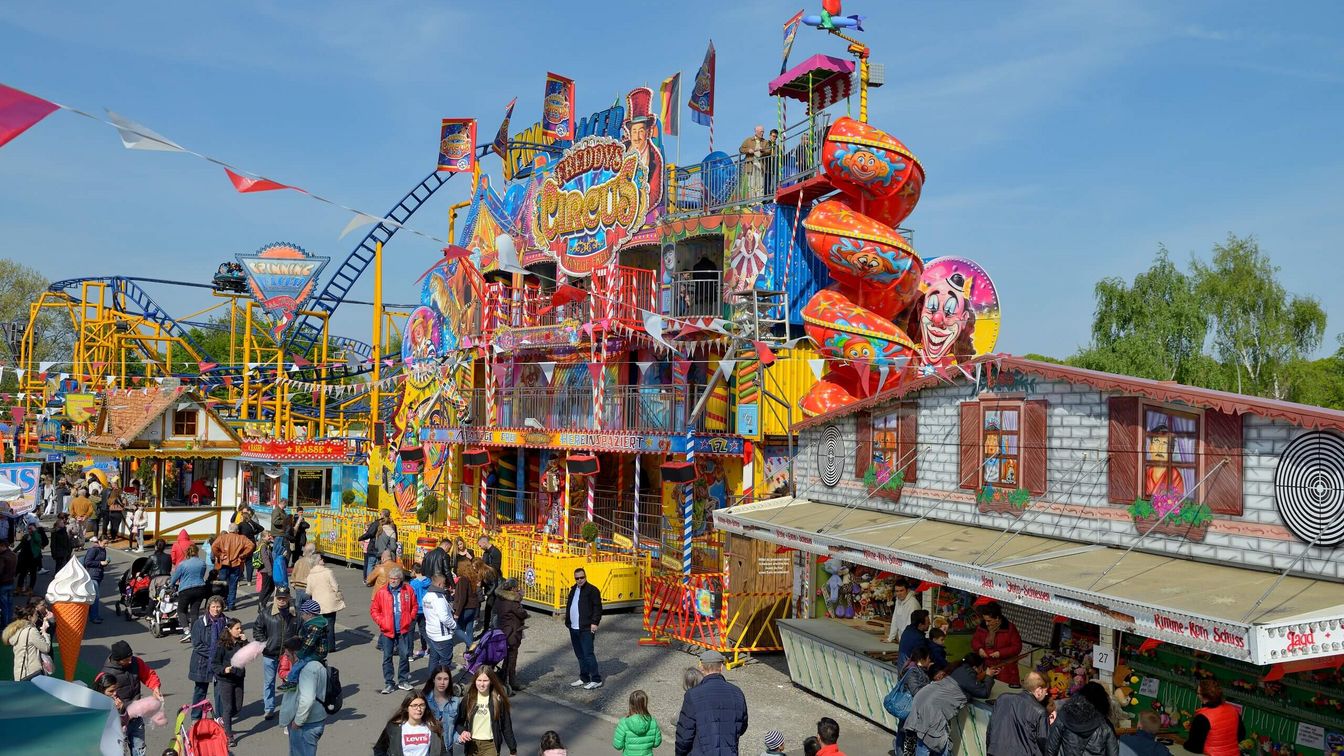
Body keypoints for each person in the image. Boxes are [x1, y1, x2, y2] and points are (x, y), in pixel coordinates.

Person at [674, 649, 749, 756]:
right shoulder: (737, 693)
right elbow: (742, 726)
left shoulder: (693, 694)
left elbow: (685, 734)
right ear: (721, 667)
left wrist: (679, 753)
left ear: (701, 667)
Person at [100, 640, 164, 756]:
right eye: (126, 660)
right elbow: (101, 693)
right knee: (120, 752)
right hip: (119, 721)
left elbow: (148, 674)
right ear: (117, 660)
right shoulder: (107, 674)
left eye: (130, 657)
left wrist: (155, 687)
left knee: (139, 749)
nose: (130, 661)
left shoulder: (136, 662)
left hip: (137, 717)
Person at [278, 635, 329, 756]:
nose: (287, 658)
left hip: (306, 725)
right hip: (316, 719)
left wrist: (298, 722)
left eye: (288, 655)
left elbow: (307, 699)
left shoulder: (306, 670)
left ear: (296, 653)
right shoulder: (317, 664)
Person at [255, 585, 301, 720]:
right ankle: (269, 708)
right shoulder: (266, 613)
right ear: (275, 598)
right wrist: (265, 644)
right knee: (269, 682)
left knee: (289, 683)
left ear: (288, 598)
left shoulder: (295, 614)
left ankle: (289, 708)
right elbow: (257, 629)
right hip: (270, 654)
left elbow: (300, 632)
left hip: (288, 655)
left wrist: (295, 646)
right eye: (279, 598)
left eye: (284, 598)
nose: (281, 600)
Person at [372, 566, 419, 694]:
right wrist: (381, 621)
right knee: (387, 657)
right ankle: (389, 683)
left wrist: (410, 618)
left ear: (400, 579)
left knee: (404, 655)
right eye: (390, 578)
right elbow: (374, 610)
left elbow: (415, 605)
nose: (392, 581)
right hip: (387, 630)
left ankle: (403, 680)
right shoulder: (382, 592)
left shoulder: (408, 590)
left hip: (403, 629)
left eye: (395, 579)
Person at [453, 668, 517, 756]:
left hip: (490, 746)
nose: (482, 684)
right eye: (479, 680)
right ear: (475, 681)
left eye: (485, 680)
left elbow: (506, 726)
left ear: (491, 681)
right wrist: (463, 731)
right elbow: (458, 722)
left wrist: (513, 750)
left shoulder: (498, 700)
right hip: (472, 745)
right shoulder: (468, 699)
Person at [1046, 681, 1119, 756]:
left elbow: (1050, 750)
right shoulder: (1105, 726)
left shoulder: (1064, 717)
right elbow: (1113, 753)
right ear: (1103, 702)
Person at [987, 671, 1050, 756]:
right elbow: (1044, 745)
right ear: (1038, 690)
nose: (1046, 694)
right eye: (1046, 691)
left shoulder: (1002, 698)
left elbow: (990, 731)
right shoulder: (1040, 712)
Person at [905, 674, 968, 756]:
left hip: (925, 718)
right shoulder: (944, 689)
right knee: (925, 745)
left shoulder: (939, 687)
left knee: (928, 744)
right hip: (928, 719)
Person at [564, 567, 603, 689]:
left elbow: (598, 607)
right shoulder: (573, 589)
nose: (580, 580)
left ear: (585, 577)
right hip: (574, 627)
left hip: (586, 627)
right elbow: (570, 605)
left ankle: (596, 679)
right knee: (580, 654)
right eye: (577, 578)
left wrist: (595, 623)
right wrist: (568, 622)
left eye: (582, 577)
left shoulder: (592, 590)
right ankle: (584, 677)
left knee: (588, 654)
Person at [375, 692, 449, 756]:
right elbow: (379, 749)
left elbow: (443, 751)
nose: (419, 709)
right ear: (407, 708)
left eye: (422, 705)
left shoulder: (433, 727)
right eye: (414, 705)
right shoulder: (394, 727)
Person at [892, 647, 936, 755]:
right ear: (922, 659)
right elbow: (916, 690)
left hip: (911, 709)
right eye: (928, 658)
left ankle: (901, 751)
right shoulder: (912, 671)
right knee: (907, 734)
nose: (930, 661)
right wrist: (930, 687)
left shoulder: (915, 668)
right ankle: (901, 752)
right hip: (909, 709)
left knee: (905, 733)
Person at [189, 595, 227, 718]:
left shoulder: (227, 622)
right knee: (200, 691)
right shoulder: (199, 623)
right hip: (202, 663)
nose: (216, 609)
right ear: (208, 608)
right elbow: (197, 645)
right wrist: (215, 654)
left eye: (219, 607)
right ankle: (196, 717)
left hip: (221, 664)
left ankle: (220, 718)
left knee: (220, 692)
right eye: (213, 606)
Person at [1183, 679, 1243, 755]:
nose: (1197, 696)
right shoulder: (1233, 710)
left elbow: (1195, 747)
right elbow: (1241, 735)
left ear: (1204, 696)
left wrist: (1186, 743)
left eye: (1198, 693)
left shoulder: (1202, 717)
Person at [212, 616, 247, 747]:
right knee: (228, 707)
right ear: (230, 630)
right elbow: (215, 664)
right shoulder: (221, 645)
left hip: (238, 678)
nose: (240, 630)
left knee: (237, 707)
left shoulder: (241, 642)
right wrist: (223, 669)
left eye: (240, 628)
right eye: (237, 628)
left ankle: (223, 721)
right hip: (225, 679)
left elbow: (250, 655)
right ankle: (229, 736)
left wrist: (246, 642)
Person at [972, 602, 1023, 687]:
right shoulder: (982, 627)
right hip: (986, 666)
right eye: (985, 620)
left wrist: (1000, 653)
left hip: (1005, 668)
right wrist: (979, 649)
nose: (987, 623)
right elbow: (975, 641)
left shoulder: (1010, 628)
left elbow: (1017, 647)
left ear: (997, 618)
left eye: (989, 621)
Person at [306, 551, 345, 653]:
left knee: (320, 625)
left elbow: (308, 591)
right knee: (330, 624)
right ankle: (331, 647)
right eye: (322, 559)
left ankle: (321, 645)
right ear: (319, 561)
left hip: (317, 603)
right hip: (330, 601)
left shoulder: (310, 575)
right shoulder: (328, 572)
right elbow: (335, 586)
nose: (324, 560)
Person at [493, 577, 527, 694]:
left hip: (501, 631)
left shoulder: (499, 599)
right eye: (517, 587)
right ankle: (512, 682)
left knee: (504, 656)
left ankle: (503, 676)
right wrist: (520, 598)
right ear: (512, 589)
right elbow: (522, 613)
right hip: (512, 633)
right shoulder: (513, 602)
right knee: (512, 657)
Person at [3, 602, 51, 680]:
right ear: (29, 617)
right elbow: (46, 648)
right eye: (36, 615)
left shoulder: (15, 631)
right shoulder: (31, 631)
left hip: (19, 674)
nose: (38, 616)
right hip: (32, 673)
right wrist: (45, 633)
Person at [213, 523, 255, 610]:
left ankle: (222, 603)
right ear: (237, 531)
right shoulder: (241, 538)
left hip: (224, 563)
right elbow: (251, 545)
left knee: (222, 584)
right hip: (236, 563)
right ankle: (231, 605)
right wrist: (243, 555)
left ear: (229, 530)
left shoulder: (222, 537)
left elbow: (214, 546)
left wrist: (220, 555)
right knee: (233, 584)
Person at [172, 544, 210, 638]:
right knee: (194, 611)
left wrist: (170, 585)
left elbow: (175, 578)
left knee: (181, 610)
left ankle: (186, 630)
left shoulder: (183, 564)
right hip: (200, 588)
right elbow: (201, 575)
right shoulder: (202, 563)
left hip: (186, 589)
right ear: (197, 552)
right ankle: (194, 631)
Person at [422, 572, 458, 672]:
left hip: (432, 633)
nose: (445, 586)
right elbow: (444, 618)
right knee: (445, 661)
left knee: (434, 659)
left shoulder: (427, 596)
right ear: (439, 584)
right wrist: (454, 625)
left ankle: (431, 682)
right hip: (442, 636)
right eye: (444, 584)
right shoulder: (438, 598)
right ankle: (442, 684)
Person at [451, 558, 483, 666]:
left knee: (457, 629)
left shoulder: (463, 579)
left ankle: (471, 646)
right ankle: (469, 659)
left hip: (465, 608)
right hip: (473, 608)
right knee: (469, 631)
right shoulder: (472, 577)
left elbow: (462, 598)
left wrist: (457, 613)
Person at [423, 665, 462, 750]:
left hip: (446, 746)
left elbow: (453, 726)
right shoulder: (423, 699)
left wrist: (459, 737)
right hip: (426, 746)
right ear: (433, 680)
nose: (442, 683)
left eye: (446, 679)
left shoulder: (455, 701)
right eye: (439, 679)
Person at [613, 689, 663, 756]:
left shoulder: (624, 723)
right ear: (645, 704)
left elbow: (618, 745)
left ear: (630, 704)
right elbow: (656, 743)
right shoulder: (652, 722)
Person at [360, 509, 397, 578]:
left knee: (373, 565)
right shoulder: (392, 530)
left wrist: (361, 538)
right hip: (389, 555)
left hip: (379, 552)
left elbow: (376, 544)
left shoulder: (379, 529)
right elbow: (393, 546)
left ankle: (370, 580)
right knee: (389, 570)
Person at [739, 125, 773, 198]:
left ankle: (759, 201)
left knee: (760, 184)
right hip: (750, 165)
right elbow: (741, 149)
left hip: (761, 165)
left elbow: (769, 150)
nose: (762, 133)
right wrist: (748, 150)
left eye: (763, 132)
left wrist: (762, 150)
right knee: (751, 184)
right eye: (761, 132)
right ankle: (752, 201)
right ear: (756, 131)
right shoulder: (748, 140)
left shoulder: (765, 141)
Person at [82, 534, 109, 623]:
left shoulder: (103, 549)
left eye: (107, 543)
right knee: (96, 597)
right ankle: (94, 617)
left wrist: (105, 563)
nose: (106, 545)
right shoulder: (93, 550)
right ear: (99, 541)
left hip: (98, 575)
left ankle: (93, 615)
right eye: (105, 543)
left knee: (93, 596)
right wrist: (100, 563)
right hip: (92, 575)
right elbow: (87, 562)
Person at [15, 521, 46, 596]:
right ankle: (18, 588)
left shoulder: (37, 535)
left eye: (31, 528)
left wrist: (34, 532)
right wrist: (14, 551)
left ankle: (30, 589)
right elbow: (21, 545)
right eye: (29, 528)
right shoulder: (26, 536)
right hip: (25, 557)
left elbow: (38, 540)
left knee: (33, 574)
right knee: (22, 573)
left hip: (34, 558)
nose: (30, 530)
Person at [409, 562, 431, 660]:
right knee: (424, 630)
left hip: (415, 609)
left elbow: (411, 596)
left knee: (411, 631)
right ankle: (426, 648)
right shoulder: (428, 581)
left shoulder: (413, 583)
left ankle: (410, 654)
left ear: (414, 571)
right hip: (425, 609)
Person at [0, 540, 14, 627]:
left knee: (4, 606)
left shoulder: (2, 557)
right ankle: (9, 622)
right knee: (9, 604)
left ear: (2, 546)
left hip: (3, 583)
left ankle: (4, 625)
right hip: (11, 582)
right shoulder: (13, 555)